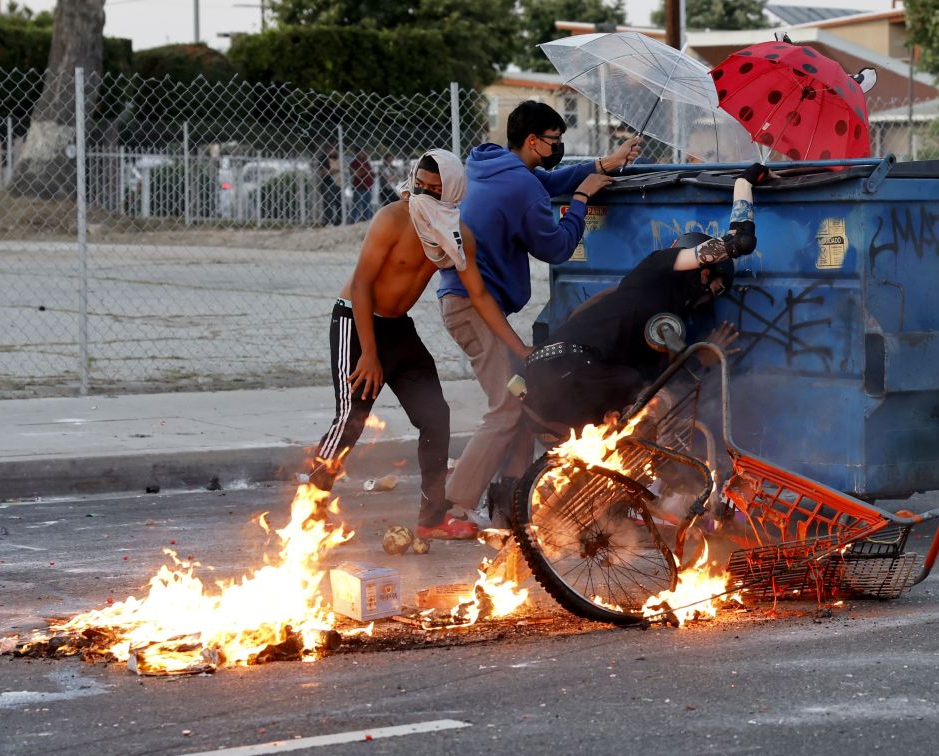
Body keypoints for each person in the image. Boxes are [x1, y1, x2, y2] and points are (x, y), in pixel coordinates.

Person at [436, 100, 642, 528]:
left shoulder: (490, 164)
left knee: (524, 400)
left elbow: (544, 181)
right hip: (473, 308)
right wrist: (582, 199)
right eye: (554, 141)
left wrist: (603, 163)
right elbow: (555, 247)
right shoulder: (522, 187)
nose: (559, 147)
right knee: (507, 408)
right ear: (533, 141)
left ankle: (512, 497)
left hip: (469, 303)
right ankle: (451, 508)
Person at [307, 149, 531, 541]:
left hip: (398, 329)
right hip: (356, 323)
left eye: (434, 190)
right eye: (418, 187)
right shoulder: (392, 218)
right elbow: (361, 284)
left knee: (435, 417)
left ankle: (432, 519)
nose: (421, 197)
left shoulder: (456, 236)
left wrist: (520, 348)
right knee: (351, 417)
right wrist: (371, 354)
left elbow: (479, 297)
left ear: (454, 193)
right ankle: (311, 509)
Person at [522, 163, 769, 433]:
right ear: (704, 273)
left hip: (544, 376)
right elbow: (739, 242)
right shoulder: (660, 266)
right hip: (572, 369)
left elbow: (657, 378)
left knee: (619, 433)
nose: (713, 296)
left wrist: (701, 358)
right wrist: (746, 181)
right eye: (718, 288)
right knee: (647, 412)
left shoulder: (646, 302)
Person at [317, 146, 342, 226]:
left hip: (338, 183)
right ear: (328, 149)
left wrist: (333, 170)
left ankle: (338, 221)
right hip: (328, 183)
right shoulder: (323, 158)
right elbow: (324, 172)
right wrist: (334, 170)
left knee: (339, 203)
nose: (335, 151)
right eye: (333, 148)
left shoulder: (337, 158)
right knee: (328, 203)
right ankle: (329, 221)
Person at [349, 149, 375, 222]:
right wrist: (365, 171)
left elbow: (371, 173)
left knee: (367, 206)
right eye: (361, 152)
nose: (363, 154)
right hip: (359, 187)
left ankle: (367, 220)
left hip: (368, 187)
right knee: (356, 205)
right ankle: (353, 221)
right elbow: (354, 174)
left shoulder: (366, 163)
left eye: (364, 152)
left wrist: (371, 173)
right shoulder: (354, 163)